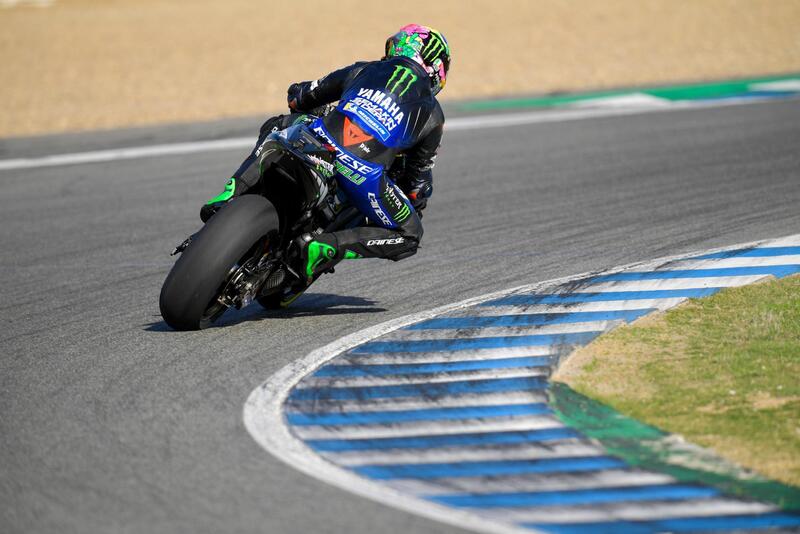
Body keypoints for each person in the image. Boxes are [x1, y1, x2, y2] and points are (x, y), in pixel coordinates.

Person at [201, 24, 450, 287]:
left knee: (277, 125)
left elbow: (301, 96)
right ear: (437, 70)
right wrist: (413, 198)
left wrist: (313, 101)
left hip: (318, 139)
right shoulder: (434, 115)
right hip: (364, 174)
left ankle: (232, 192)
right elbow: (417, 185)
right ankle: (327, 247)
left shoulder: (364, 69)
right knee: (409, 234)